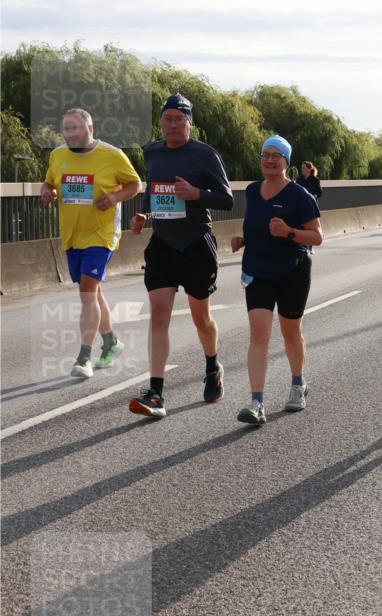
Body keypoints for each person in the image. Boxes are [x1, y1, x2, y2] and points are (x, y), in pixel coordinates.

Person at [128, 93, 233, 418]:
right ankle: (156, 392)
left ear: (189, 123)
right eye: (167, 119)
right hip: (163, 244)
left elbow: (227, 199)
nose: (173, 124)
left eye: (179, 119)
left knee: (201, 317)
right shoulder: (153, 152)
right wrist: (144, 214)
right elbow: (152, 187)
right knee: (159, 314)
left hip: (196, 244)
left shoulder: (204, 155)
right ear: (161, 123)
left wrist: (196, 194)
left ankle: (213, 367)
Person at [40, 108, 142, 378]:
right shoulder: (58, 155)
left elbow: (135, 184)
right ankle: (111, 342)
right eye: (66, 129)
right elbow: (49, 182)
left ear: (90, 128)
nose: (70, 134)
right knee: (92, 291)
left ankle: (84, 356)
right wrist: (47, 191)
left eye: (75, 128)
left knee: (87, 290)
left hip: (101, 234)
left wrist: (113, 198)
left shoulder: (112, 155)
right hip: (72, 234)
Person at [232, 136, 323, 426]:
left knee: (291, 332)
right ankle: (256, 402)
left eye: (276, 155)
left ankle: (298, 383)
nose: (269, 160)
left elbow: (317, 237)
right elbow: (257, 225)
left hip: (292, 270)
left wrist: (288, 232)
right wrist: (243, 239)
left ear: (287, 162)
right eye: (265, 155)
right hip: (258, 269)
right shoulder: (252, 191)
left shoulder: (300, 196)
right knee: (259, 334)